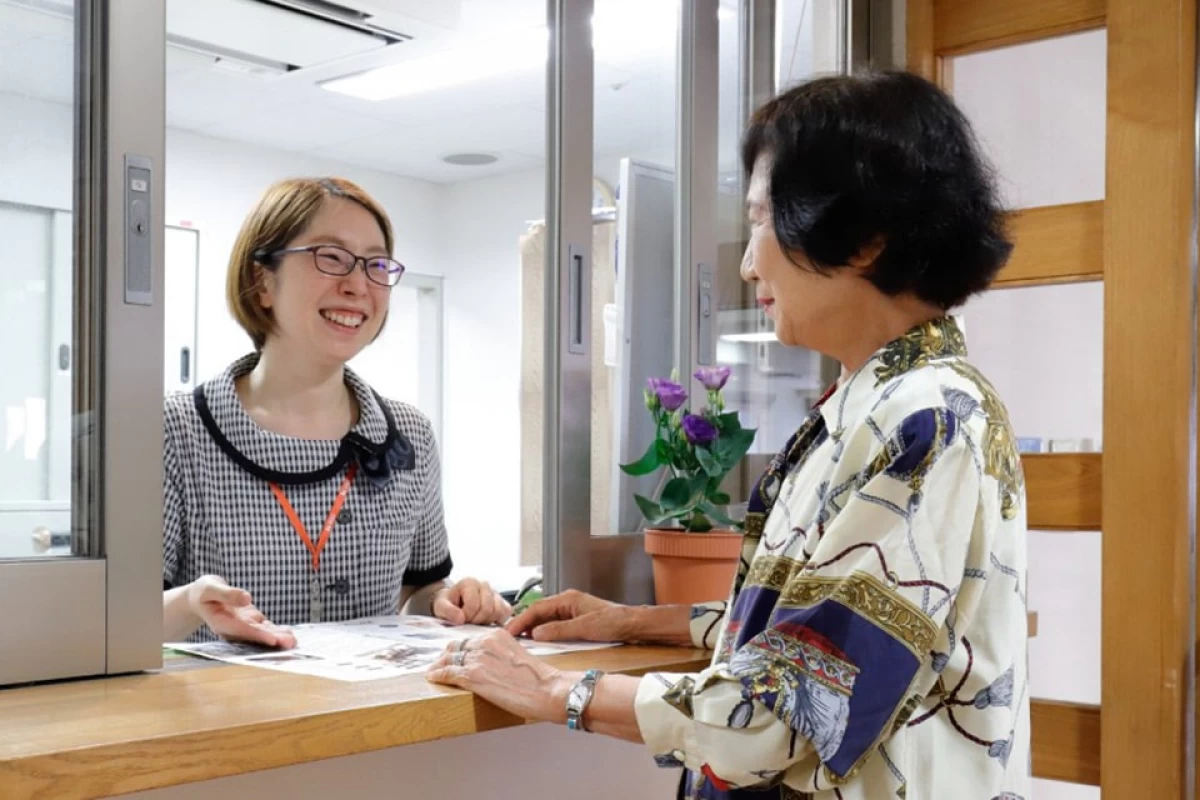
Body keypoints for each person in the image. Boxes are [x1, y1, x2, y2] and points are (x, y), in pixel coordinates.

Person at [426, 70, 1030, 800]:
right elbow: (823, 625)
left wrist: (558, 692)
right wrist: (638, 619)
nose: (748, 264)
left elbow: (799, 708)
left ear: (863, 239)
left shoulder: (928, 419)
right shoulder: (881, 402)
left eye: (760, 222)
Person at [162, 177, 511, 646]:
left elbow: (419, 588)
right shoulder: (175, 430)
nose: (357, 286)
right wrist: (189, 603)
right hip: (224, 716)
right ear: (261, 280)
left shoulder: (408, 434)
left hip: (369, 717)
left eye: (375, 265)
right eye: (331, 257)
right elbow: (116, 619)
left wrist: (450, 600)